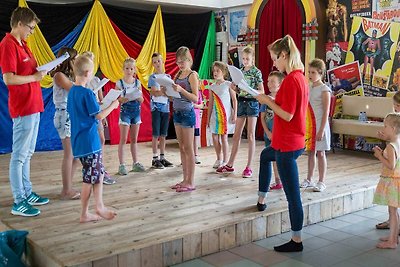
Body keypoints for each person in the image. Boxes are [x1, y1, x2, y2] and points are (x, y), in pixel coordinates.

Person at [254, 35, 308, 252]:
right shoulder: (297, 77)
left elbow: (287, 115)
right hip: (285, 141)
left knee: (293, 195)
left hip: (288, 144)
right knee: (265, 156)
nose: (273, 63)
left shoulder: (293, 79)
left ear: (284, 55)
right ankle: (262, 196)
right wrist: (269, 99)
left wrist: (267, 101)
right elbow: (286, 106)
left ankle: (297, 240)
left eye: (275, 59)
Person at [0, 7, 49, 217]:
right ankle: (18, 200)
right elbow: (8, 78)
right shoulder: (7, 44)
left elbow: (30, 72)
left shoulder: (24, 45)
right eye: (30, 27)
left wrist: (41, 72)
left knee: (28, 153)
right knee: (19, 155)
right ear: (20, 24)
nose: (31, 31)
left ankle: (27, 193)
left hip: (34, 104)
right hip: (22, 106)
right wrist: (33, 78)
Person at [67, 55, 118, 223]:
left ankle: (99, 205)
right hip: (89, 142)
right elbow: (98, 116)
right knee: (89, 178)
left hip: (79, 141)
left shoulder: (72, 91)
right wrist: (113, 105)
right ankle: (85, 213)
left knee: (98, 173)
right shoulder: (87, 93)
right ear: (88, 73)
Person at [216, 46, 264, 178]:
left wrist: (251, 90)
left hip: (252, 103)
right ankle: (230, 164)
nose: (245, 61)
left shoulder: (256, 72)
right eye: (243, 59)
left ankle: (249, 166)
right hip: (242, 101)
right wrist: (235, 88)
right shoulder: (240, 71)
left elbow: (262, 91)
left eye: (247, 59)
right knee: (236, 134)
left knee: (250, 135)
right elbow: (239, 90)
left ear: (253, 59)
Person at [50, 47, 81, 200]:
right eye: (76, 59)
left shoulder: (70, 76)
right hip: (63, 115)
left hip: (70, 115)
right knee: (69, 154)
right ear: (68, 60)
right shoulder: (59, 75)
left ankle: (68, 185)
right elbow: (74, 90)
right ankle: (66, 190)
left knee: (76, 155)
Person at [81, 51, 116, 185]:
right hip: (88, 116)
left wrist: (104, 114)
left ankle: (100, 167)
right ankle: (91, 169)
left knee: (101, 139)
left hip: (98, 114)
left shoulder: (96, 80)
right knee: (91, 143)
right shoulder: (81, 81)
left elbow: (101, 99)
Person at [170, 46, 199, 192]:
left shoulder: (192, 75)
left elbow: (195, 98)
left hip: (187, 113)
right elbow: (174, 96)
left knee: (189, 148)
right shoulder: (177, 75)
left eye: (183, 62)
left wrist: (181, 90)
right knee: (181, 148)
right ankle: (184, 179)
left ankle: (191, 181)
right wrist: (167, 91)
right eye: (178, 62)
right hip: (177, 112)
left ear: (189, 60)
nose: (180, 65)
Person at [301, 59, 331, 192]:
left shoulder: (325, 90)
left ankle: (321, 181)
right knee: (310, 152)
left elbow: (326, 111)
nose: (310, 75)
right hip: (310, 125)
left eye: (313, 72)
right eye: (309, 72)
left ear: (320, 73)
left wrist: (322, 129)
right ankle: (309, 178)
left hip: (320, 125)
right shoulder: (309, 87)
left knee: (321, 153)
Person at [372, 113, 400, 249]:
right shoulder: (397, 141)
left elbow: (391, 165)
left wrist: (379, 155)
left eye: (385, 126)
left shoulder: (390, 146)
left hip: (392, 182)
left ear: (393, 128)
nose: (383, 129)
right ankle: (393, 237)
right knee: (393, 212)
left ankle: (392, 242)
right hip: (396, 181)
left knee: (393, 212)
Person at [375, 91, 400, 231]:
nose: (395, 108)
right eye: (394, 105)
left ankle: (394, 225)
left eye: (397, 105)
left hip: (395, 170)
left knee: (394, 198)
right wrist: (386, 138)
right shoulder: (395, 119)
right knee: (393, 202)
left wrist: (380, 156)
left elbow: (391, 164)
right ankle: (393, 221)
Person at [116, 57, 145, 175]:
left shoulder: (138, 83)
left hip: (136, 112)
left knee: (134, 140)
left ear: (134, 70)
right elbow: (116, 98)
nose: (129, 70)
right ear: (123, 69)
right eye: (127, 68)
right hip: (125, 112)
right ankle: (122, 165)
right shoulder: (119, 83)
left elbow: (142, 99)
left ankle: (135, 163)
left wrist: (139, 98)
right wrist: (121, 99)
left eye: (131, 68)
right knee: (123, 139)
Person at [207, 61, 237, 169]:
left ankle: (225, 160)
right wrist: (208, 118)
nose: (215, 73)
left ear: (223, 72)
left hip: (225, 116)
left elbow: (234, 100)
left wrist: (235, 114)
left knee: (224, 138)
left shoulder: (228, 85)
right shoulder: (212, 87)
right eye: (214, 71)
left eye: (217, 70)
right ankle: (218, 158)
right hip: (215, 116)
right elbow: (210, 103)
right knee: (215, 138)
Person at [259, 71, 284, 190]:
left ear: (280, 84)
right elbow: (262, 118)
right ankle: (277, 180)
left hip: (280, 136)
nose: (269, 84)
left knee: (281, 159)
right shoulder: (265, 100)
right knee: (271, 158)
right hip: (268, 135)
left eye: (272, 81)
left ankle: (283, 179)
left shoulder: (283, 100)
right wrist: (268, 132)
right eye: (268, 81)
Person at [148, 52, 173, 169]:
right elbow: (153, 92)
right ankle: (154, 158)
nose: (157, 63)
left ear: (163, 61)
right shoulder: (153, 77)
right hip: (156, 109)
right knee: (156, 134)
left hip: (166, 109)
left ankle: (162, 157)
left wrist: (170, 93)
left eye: (159, 61)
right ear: (153, 64)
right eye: (155, 62)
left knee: (163, 134)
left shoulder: (168, 77)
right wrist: (163, 91)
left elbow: (171, 96)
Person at [193, 91, 204, 164]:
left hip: (196, 119)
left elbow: (201, 105)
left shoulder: (198, 92)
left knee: (196, 138)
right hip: (187, 120)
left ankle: (196, 155)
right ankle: (187, 157)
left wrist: (195, 106)